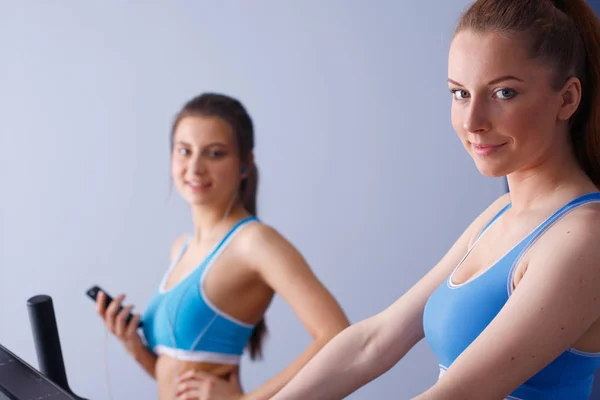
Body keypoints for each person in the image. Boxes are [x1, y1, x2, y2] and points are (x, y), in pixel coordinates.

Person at [271, 0, 600, 399]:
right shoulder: (500, 214)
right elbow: (372, 342)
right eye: (460, 93)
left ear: (566, 99)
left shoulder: (585, 237)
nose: (472, 120)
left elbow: (459, 393)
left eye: (503, 92)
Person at [95, 93, 350, 400]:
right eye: (184, 151)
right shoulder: (182, 248)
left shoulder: (255, 242)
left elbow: (338, 336)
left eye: (214, 154)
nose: (195, 167)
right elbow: (181, 377)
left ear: (245, 164)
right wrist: (137, 350)